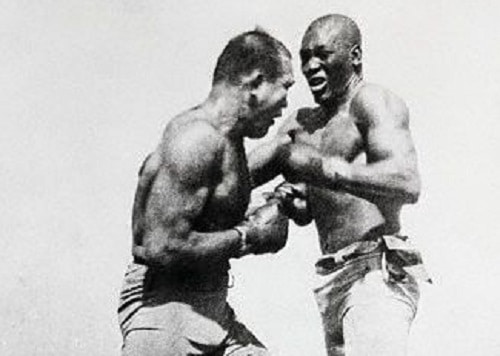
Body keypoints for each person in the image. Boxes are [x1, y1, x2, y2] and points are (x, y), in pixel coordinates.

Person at [249, 14, 430, 356]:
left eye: (322, 54)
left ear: (355, 56)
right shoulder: (303, 124)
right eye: (305, 57)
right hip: (331, 279)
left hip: (374, 271)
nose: (311, 66)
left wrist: (330, 170)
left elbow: (407, 181)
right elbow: (247, 172)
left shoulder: (372, 101)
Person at [118, 29, 295, 356]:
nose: (286, 104)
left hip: (211, 310)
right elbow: (161, 246)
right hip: (166, 311)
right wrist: (249, 236)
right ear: (255, 83)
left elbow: (222, 193)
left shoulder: (230, 138)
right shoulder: (197, 139)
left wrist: (288, 170)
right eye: (285, 87)